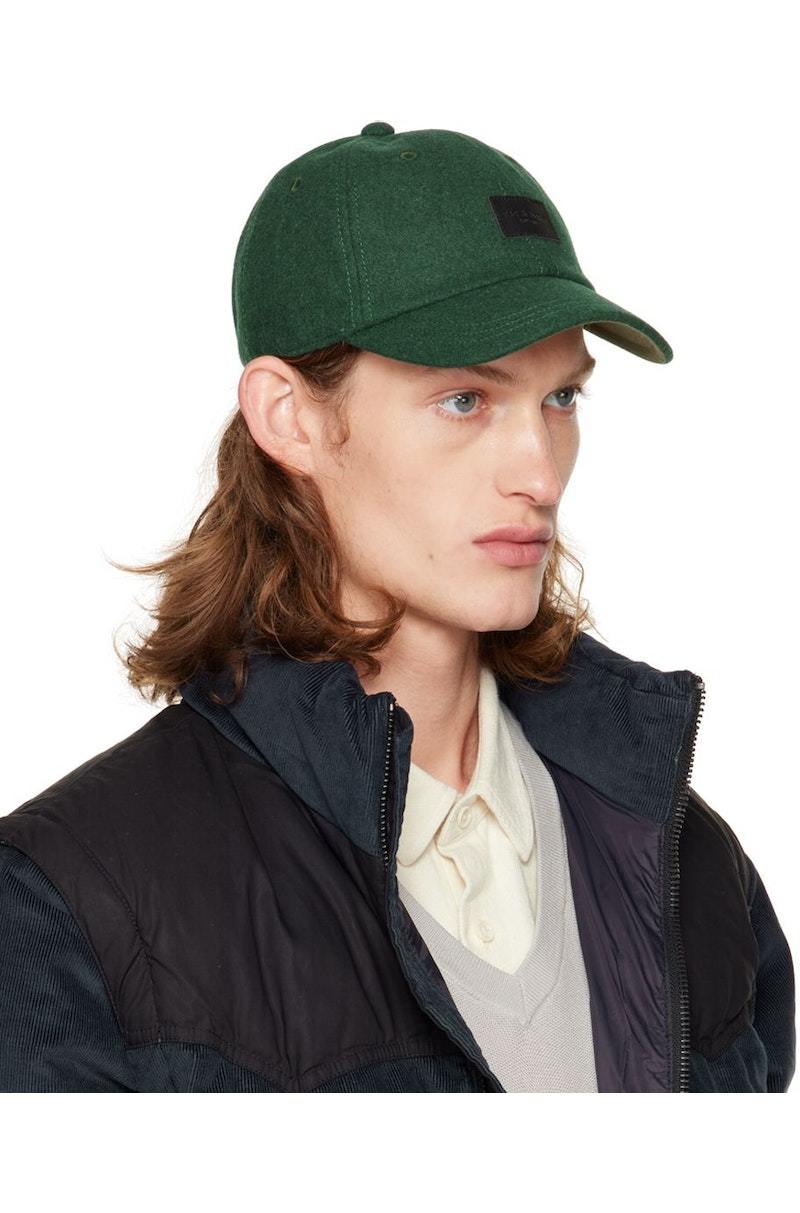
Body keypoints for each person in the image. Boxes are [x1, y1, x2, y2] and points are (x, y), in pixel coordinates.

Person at [0, 122, 794, 1092]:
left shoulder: (687, 861)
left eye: (561, 400)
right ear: (290, 417)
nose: (540, 474)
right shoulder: (70, 899)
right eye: (465, 401)